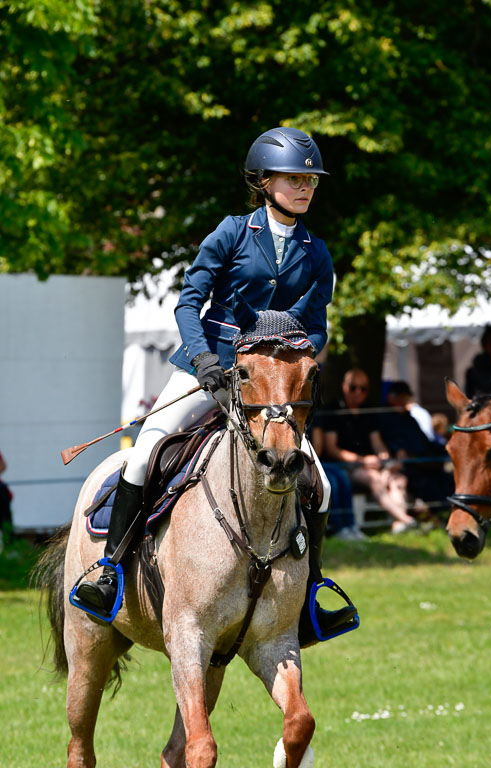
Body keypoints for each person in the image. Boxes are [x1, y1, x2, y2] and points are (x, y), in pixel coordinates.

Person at [75, 126, 353, 641]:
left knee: (323, 484)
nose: (306, 188)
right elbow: (188, 303)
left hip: (269, 386)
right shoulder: (231, 232)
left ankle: (311, 593)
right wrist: (203, 361)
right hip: (206, 368)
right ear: (264, 181)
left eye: (311, 180)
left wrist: (295, 360)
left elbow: (317, 325)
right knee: (145, 452)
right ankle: (109, 571)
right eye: (295, 178)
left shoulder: (317, 252)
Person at [322, 369, 416, 534]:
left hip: (369, 464)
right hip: (344, 466)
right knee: (375, 478)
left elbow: (377, 442)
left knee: (398, 479)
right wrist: (362, 460)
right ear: (344, 387)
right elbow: (332, 449)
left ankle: (398, 523)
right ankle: (407, 520)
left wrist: (386, 461)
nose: (358, 392)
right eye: (353, 387)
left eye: (363, 388)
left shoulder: (368, 411)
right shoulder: (333, 410)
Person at [379, 381, 453, 510]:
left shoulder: (409, 419)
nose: (403, 401)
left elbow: (425, 441)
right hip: (409, 466)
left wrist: (445, 448)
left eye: (405, 398)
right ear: (391, 397)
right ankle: (439, 512)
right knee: (428, 484)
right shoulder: (385, 419)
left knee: (447, 479)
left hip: (424, 460)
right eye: (401, 397)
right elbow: (394, 447)